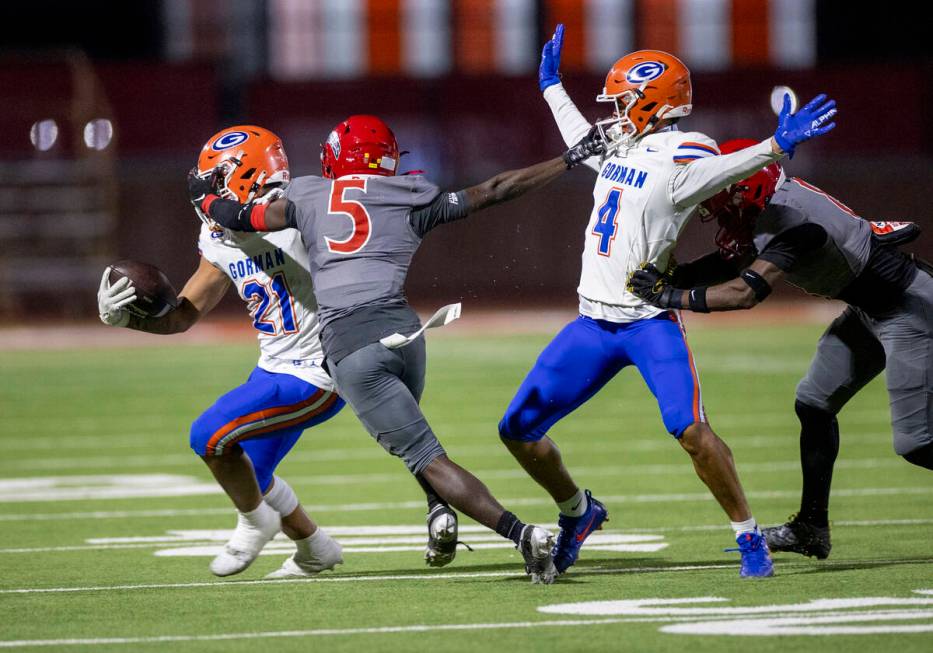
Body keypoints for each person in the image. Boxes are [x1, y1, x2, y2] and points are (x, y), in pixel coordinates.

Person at [185, 114, 605, 584]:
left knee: (426, 456)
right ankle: (434, 511)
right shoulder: (411, 193)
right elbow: (495, 189)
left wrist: (208, 198)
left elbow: (245, 217)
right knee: (418, 447)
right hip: (409, 333)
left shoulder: (305, 194)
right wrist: (569, 158)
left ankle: (521, 533)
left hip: (351, 345)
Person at [497, 25, 837, 578]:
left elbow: (719, 169)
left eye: (623, 101)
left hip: (647, 322)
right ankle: (577, 513)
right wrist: (551, 86)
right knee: (517, 428)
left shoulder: (682, 157)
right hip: (591, 323)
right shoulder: (624, 145)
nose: (613, 112)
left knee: (691, 431)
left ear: (653, 103)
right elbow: (582, 139)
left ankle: (749, 536)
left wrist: (774, 147)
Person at [629, 138, 932, 559]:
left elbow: (744, 292)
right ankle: (811, 528)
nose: (710, 209)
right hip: (870, 309)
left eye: (719, 199)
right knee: (814, 403)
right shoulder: (771, 209)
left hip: (910, 309)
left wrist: (670, 297)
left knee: (917, 443)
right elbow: (733, 261)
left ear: (744, 190)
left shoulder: (793, 223)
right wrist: (671, 279)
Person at [97, 125, 348, 579]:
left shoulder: (301, 208)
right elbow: (182, 315)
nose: (206, 189)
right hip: (274, 364)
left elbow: (272, 220)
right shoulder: (218, 234)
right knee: (251, 469)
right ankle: (314, 546)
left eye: (216, 178)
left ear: (246, 173)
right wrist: (128, 319)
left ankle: (255, 522)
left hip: (321, 370)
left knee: (209, 436)